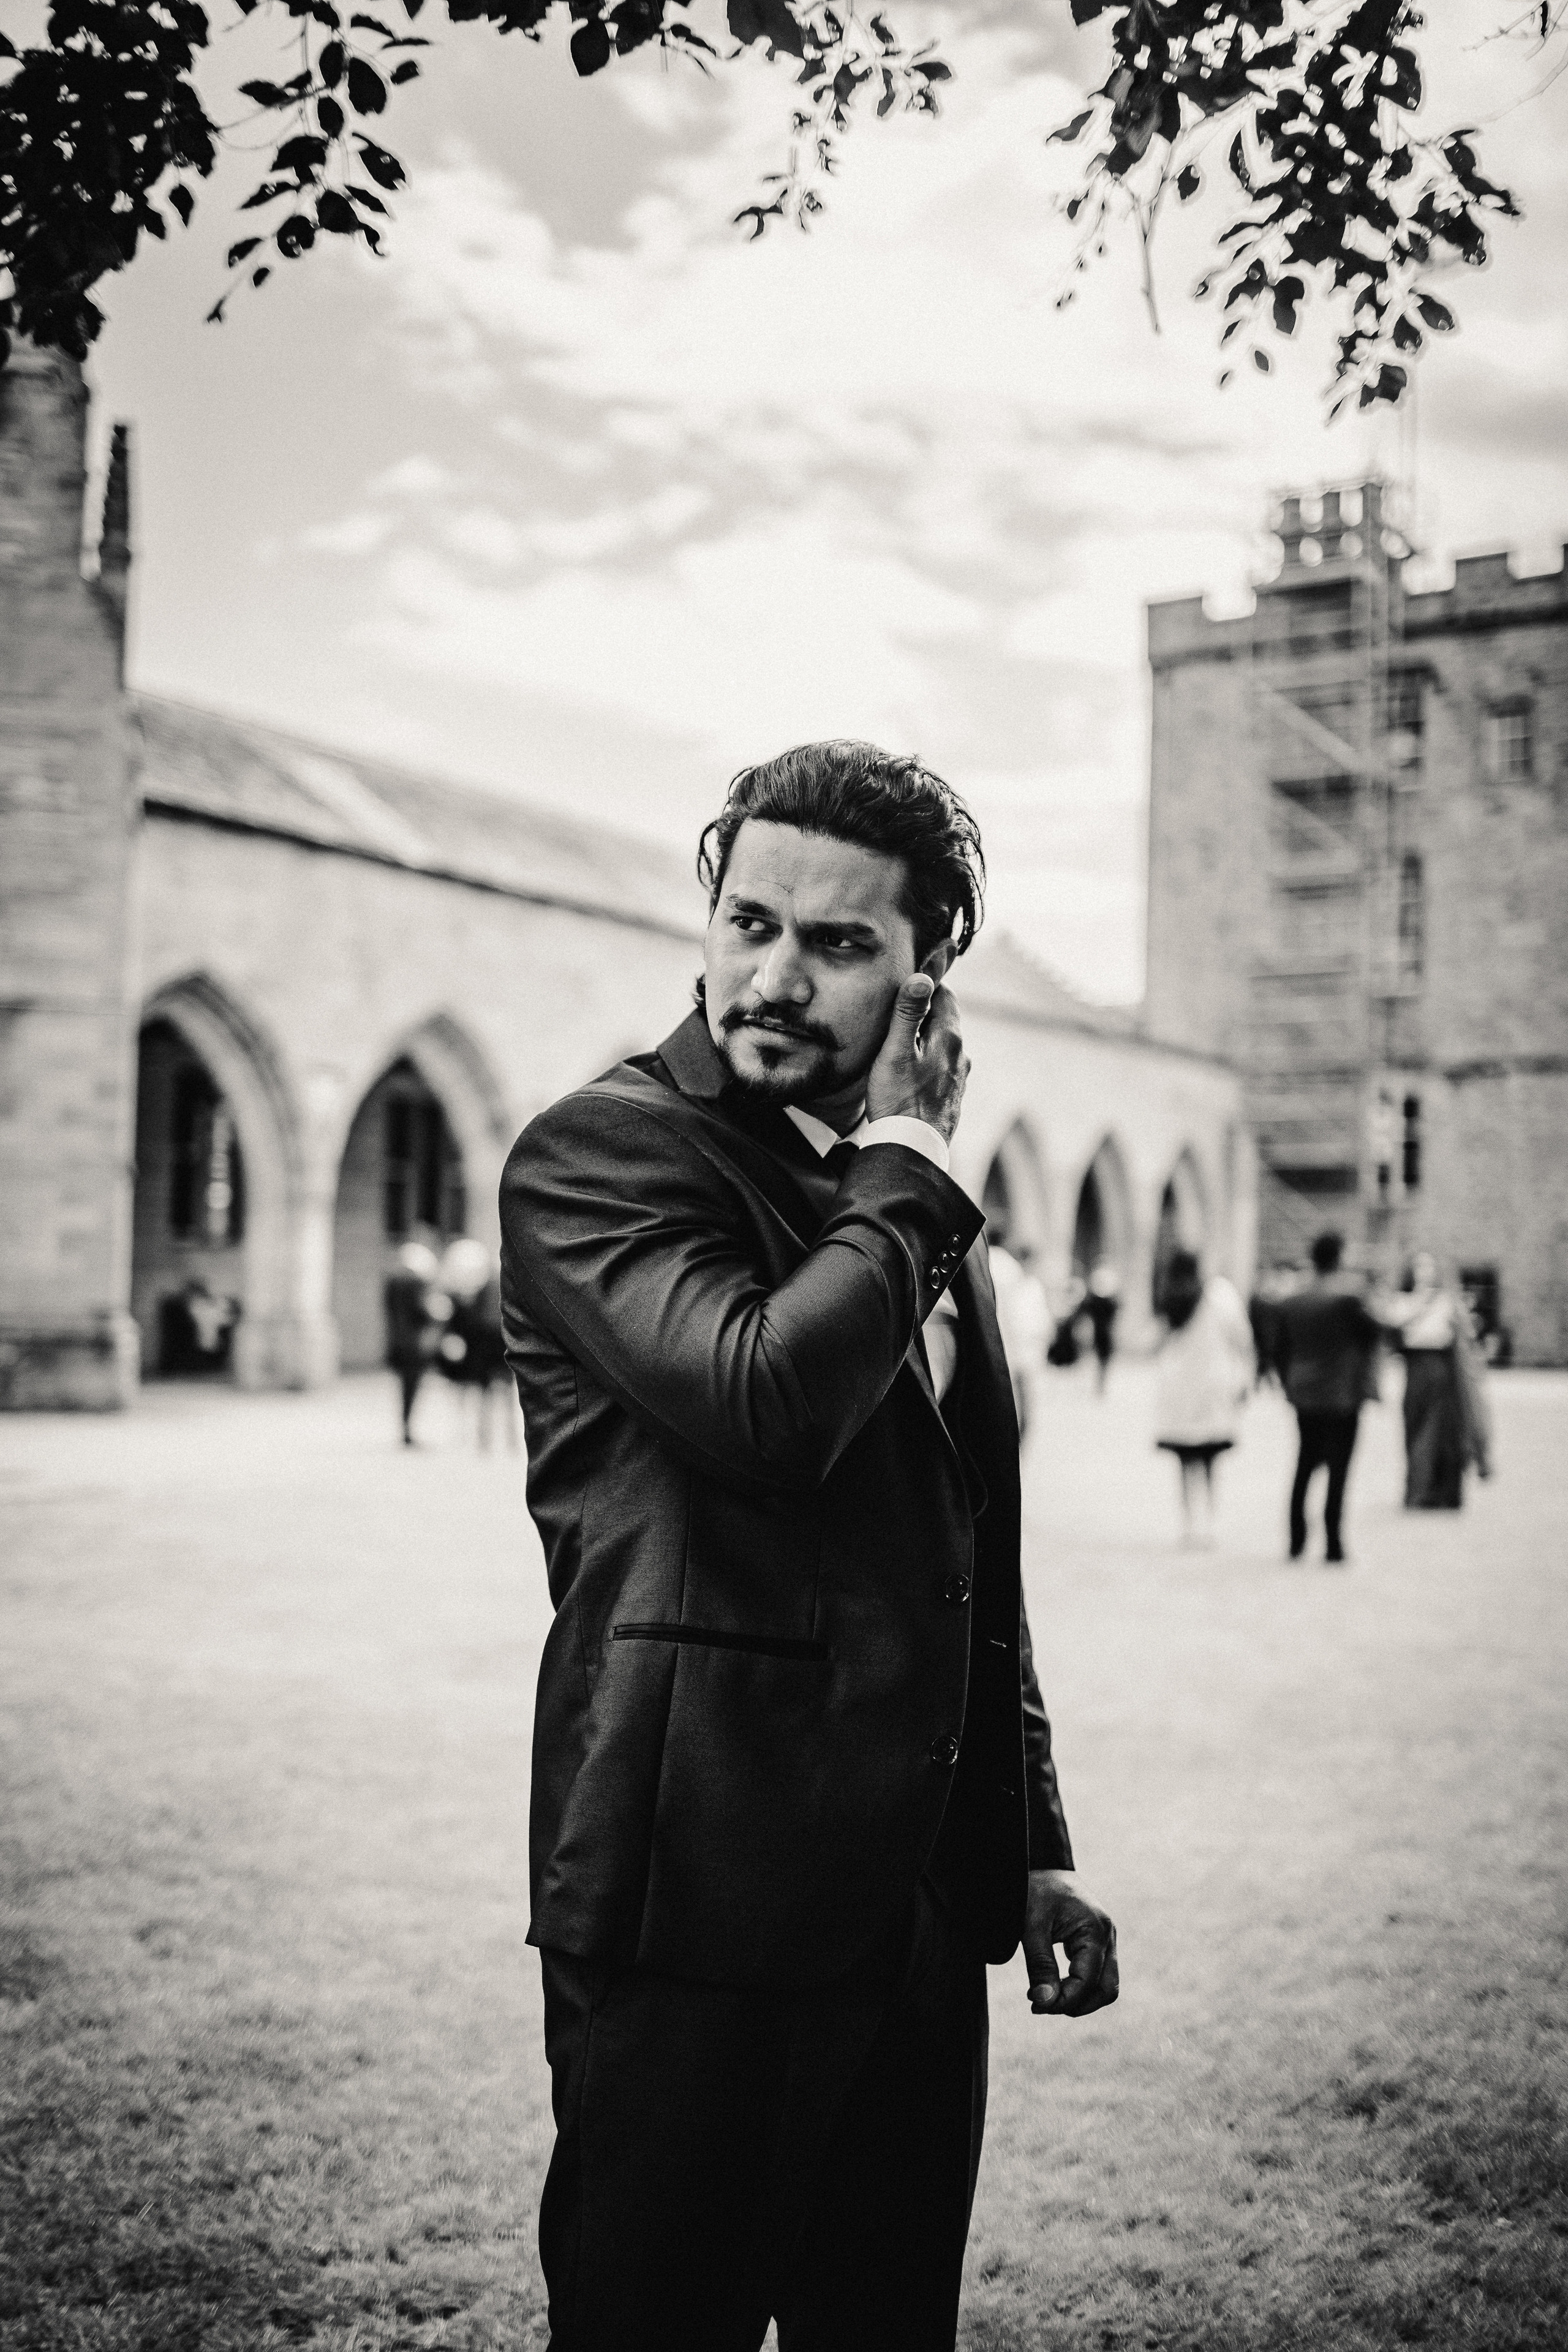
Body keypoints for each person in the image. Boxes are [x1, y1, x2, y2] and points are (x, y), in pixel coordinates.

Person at [500, 741, 1117, 2352]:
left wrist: (1030, 1841)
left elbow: (963, 1558)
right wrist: (910, 1164)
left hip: (914, 1920)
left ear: (928, 978)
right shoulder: (602, 1154)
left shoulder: (907, 1207)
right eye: (750, 922)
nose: (774, 976)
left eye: (838, 943)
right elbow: (767, 1404)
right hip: (695, 1907)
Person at [1272, 1229, 1384, 1566]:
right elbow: (1375, 1333)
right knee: (1339, 1469)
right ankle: (1333, 1542)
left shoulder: (1293, 1300)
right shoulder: (1349, 1299)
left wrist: (1290, 1383)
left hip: (1305, 1393)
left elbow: (1280, 1349)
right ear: (1339, 1257)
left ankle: (1296, 1540)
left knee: (1305, 1463)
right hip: (1342, 1395)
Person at [1153, 1249, 1255, 1548]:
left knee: (1185, 1460)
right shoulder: (1220, 1294)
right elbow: (1242, 1338)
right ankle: (1208, 1522)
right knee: (1210, 1457)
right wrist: (1246, 1377)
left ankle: (1188, 1523)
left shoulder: (1171, 1297)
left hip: (1179, 1388)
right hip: (1214, 1386)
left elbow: (1158, 1341)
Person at [1384, 1251, 1492, 1508]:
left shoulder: (1446, 1301)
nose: (1425, 1271)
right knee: (1417, 1426)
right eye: (1420, 1266)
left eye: (1429, 1266)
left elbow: (1465, 1336)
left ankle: (1445, 1493)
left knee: (1444, 1431)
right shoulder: (1402, 1301)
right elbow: (1395, 1328)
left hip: (1442, 1369)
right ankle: (1419, 1490)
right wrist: (1420, 1305)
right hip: (1416, 1368)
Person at [987, 1241, 1050, 1443]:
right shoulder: (1014, 1275)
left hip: (1014, 1349)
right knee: (1019, 1401)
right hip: (1019, 1350)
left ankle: (1016, 1441)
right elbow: (1031, 1321)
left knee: (1017, 1400)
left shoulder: (1021, 1279)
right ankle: (1016, 1441)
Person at [383, 1233, 443, 1446]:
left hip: (397, 1342)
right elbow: (425, 1312)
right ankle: (408, 1429)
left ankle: (405, 1427)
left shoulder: (392, 1284)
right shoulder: (417, 1285)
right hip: (415, 1344)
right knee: (412, 1388)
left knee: (404, 1388)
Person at [1085, 1261, 1120, 1394]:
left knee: (1103, 1360)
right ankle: (1100, 1384)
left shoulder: (1098, 1301)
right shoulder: (1103, 1301)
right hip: (1102, 1333)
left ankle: (1100, 1384)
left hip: (1103, 1333)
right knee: (1102, 1360)